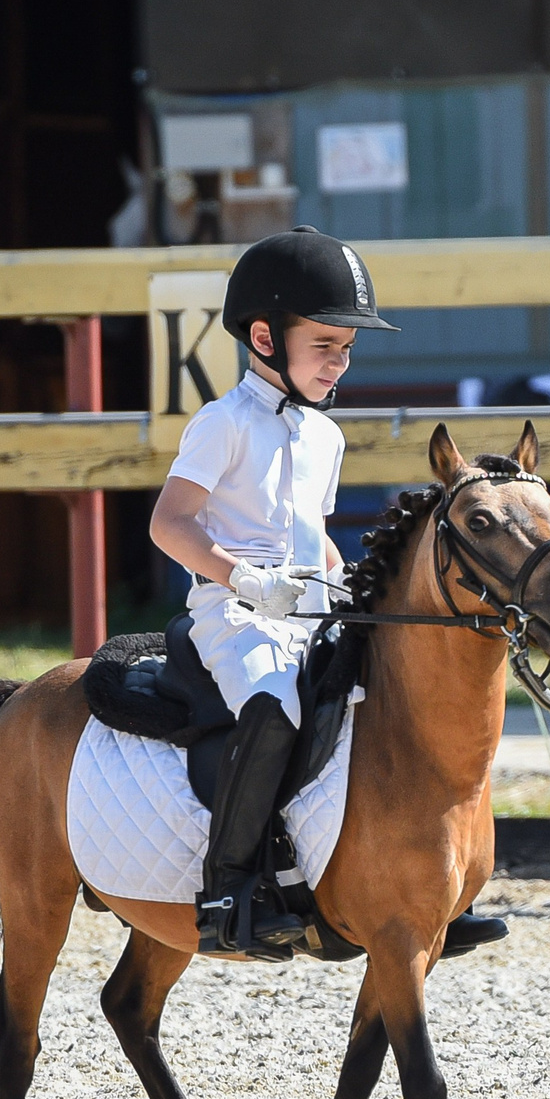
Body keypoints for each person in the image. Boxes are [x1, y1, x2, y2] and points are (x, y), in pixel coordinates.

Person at [149, 226, 395, 959]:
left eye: (347, 347)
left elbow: (313, 532)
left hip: (309, 606)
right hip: (234, 612)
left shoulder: (327, 437)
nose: (339, 361)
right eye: (324, 344)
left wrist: (351, 586)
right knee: (274, 705)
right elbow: (169, 523)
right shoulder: (221, 423)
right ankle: (228, 889)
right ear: (264, 337)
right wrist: (245, 578)